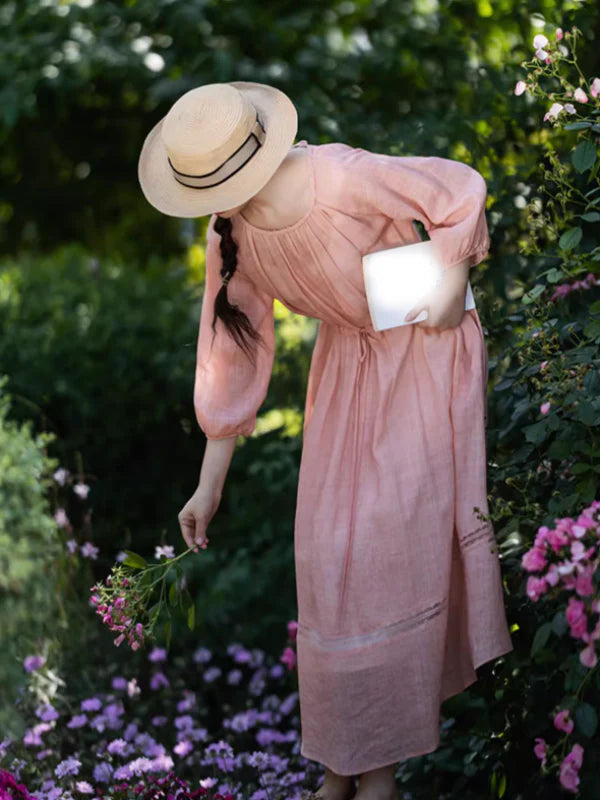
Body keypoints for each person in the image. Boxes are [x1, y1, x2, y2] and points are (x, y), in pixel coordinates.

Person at [138, 81, 514, 800]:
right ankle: (341, 770)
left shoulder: (338, 174)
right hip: (348, 373)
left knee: (383, 554)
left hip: (420, 354)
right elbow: (230, 355)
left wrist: (453, 272)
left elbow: (458, 187)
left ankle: (379, 778)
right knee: (328, 558)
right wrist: (208, 484)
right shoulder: (230, 232)